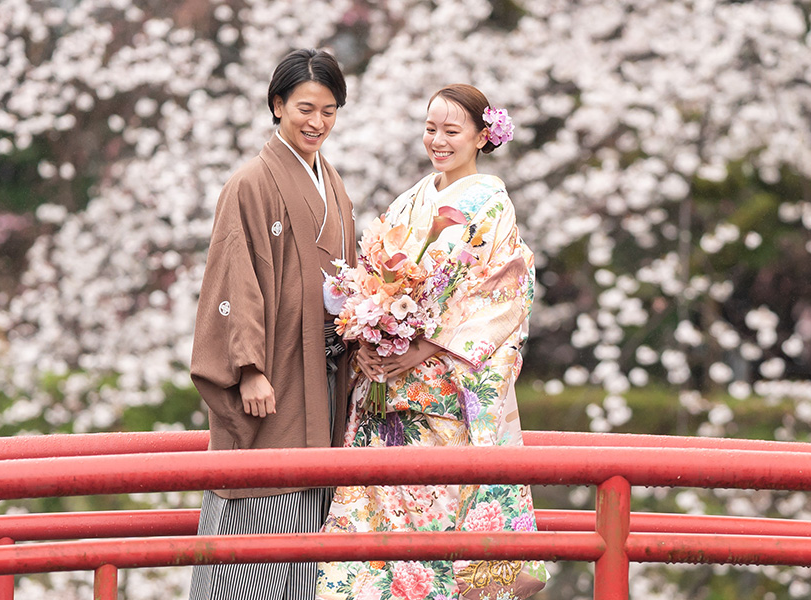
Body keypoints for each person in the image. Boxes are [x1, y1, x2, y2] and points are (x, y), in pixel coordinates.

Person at [314, 84, 547, 600]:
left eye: (452, 131)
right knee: (371, 540)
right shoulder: (412, 198)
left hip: (441, 401)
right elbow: (375, 272)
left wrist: (421, 347)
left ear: (483, 137)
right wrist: (367, 332)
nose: (437, 141)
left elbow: (501, 294)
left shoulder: (491, 205)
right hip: (384, 398)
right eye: (430, 128)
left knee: (432, 540)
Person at [190, 48, 357, 600]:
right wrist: (248, 367)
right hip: (274, 377)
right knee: (257, 509)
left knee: (312, 516)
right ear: (278, 104)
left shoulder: (333, 186)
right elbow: (235, 278)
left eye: (330, 111)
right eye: (306, 108)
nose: (317, 122)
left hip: (322, 373)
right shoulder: (251, 184)